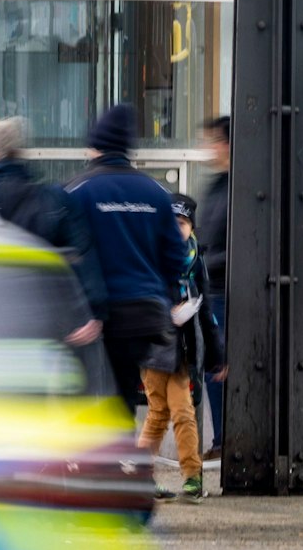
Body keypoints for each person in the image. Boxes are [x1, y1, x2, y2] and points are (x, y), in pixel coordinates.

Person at [65, 105, 186, 425]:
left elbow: (66, 251)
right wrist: (168, 295)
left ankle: (107, 463)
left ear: (96, 146)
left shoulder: (79, 190)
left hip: (98, 316)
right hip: (144, 315)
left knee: (91, 393)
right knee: (122, 394)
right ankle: (121, 462)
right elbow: (176, 254)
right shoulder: (156, 193)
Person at [0, 117, 104, 344]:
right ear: (18, 152)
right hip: (39, 320)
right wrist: (94, 311)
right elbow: (82, 253)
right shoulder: (51, 198)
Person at [136, 193, 225, 504]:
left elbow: (206, 309)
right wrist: (168, 315)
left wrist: (216, 355)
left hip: (181, 351)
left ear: (192, 227)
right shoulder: (151, 256)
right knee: (160, 414)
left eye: (183, 223)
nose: (177, 229)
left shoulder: (196, 260)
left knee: (182, 413)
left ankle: (190, 478)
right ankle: (148, 478)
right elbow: (142, 299)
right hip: (154, 350)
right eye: (172, 222)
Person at [194, 115, 231, 458]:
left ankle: (224, 440)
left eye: (212, 141)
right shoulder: (217, 186)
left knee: (218, 368)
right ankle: (221, 438)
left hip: (222, 290)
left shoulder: (235, 188)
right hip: (211, 289)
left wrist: (203, 263)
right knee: (211, 368)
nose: (207, 149)